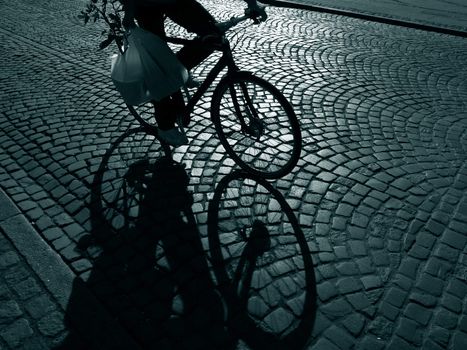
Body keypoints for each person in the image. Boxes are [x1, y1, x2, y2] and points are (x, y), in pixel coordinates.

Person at [120, 0, 267, 146]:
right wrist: (129, 12)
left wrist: (252, 4)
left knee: (213, 36)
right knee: (156, 59)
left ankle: (176, 70)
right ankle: (165, 126)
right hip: (145, 5)